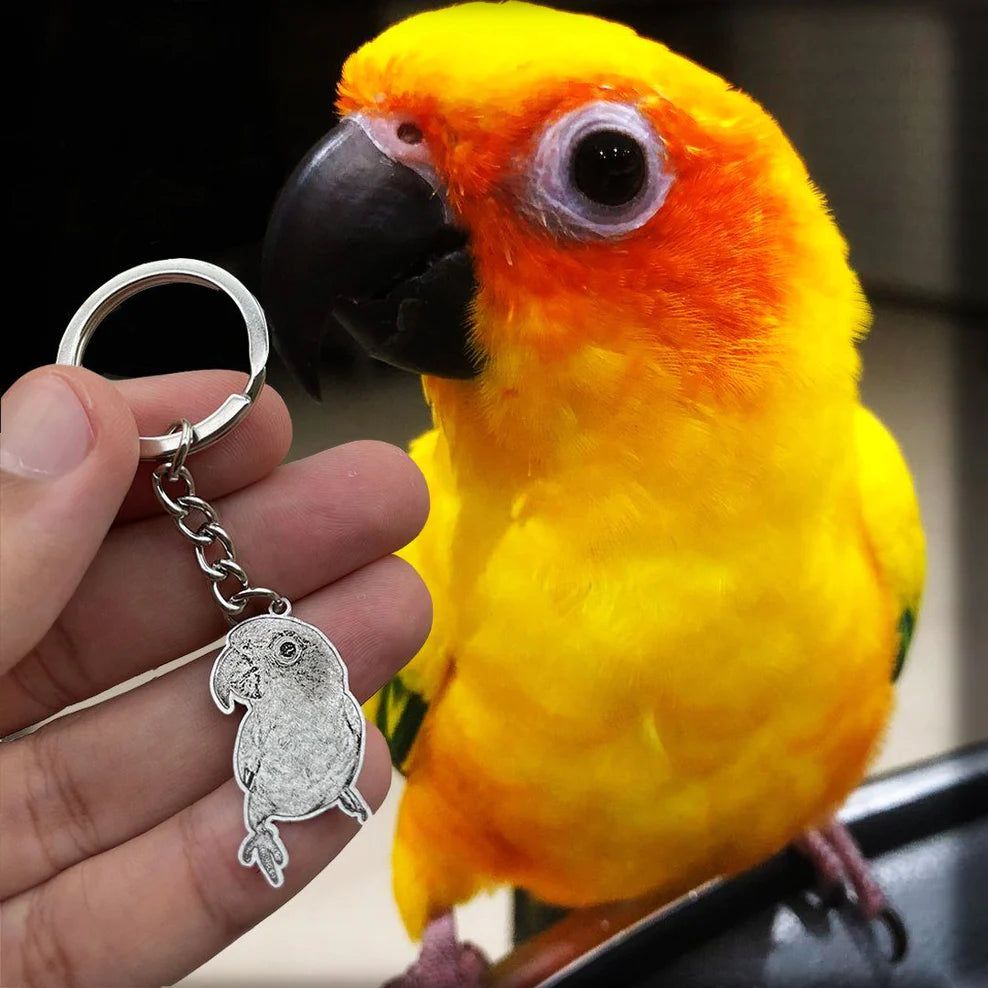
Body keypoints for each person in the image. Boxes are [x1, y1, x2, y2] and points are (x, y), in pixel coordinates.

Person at [0, 366, 432, 986]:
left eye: (279, 656)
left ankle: (338, 795)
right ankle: (270, 832)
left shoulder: (340, 709)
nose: (250, 678)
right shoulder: (260, 729)